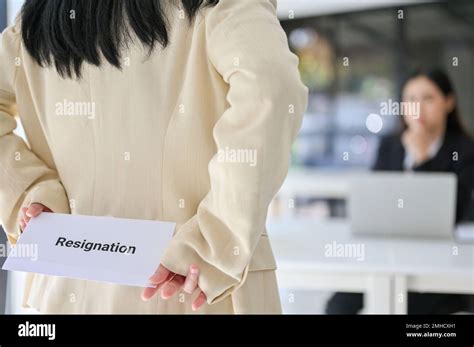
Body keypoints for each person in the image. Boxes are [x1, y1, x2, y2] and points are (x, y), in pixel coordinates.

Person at [0, 0, 308, 313]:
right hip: (189, 284)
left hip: (69, 286)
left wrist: (30, 193)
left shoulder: (42, 16)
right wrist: (215, 240)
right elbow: (272, 90)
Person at [326, 68, 474, 314]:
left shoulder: (465, 151)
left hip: (441, 260)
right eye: (411, 99)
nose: (418, 108)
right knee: (338, 306)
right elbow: (375, 199)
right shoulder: (391, 144)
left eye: (428, 99)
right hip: (388, 253)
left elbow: (454, 213)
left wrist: (424, 159)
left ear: (448, 102)